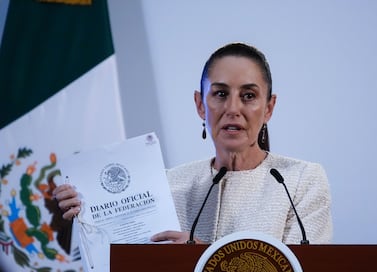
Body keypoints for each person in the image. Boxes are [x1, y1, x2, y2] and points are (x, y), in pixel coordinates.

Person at [54, 42, 332, 245]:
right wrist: (78, 215)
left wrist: (204, 257)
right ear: (200, 105)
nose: (233, 108)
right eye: (220, 94)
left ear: (269, 108)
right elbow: (119, 254)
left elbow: (299, 267)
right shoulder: (167, 185)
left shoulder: (299, 181)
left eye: (248, 96)